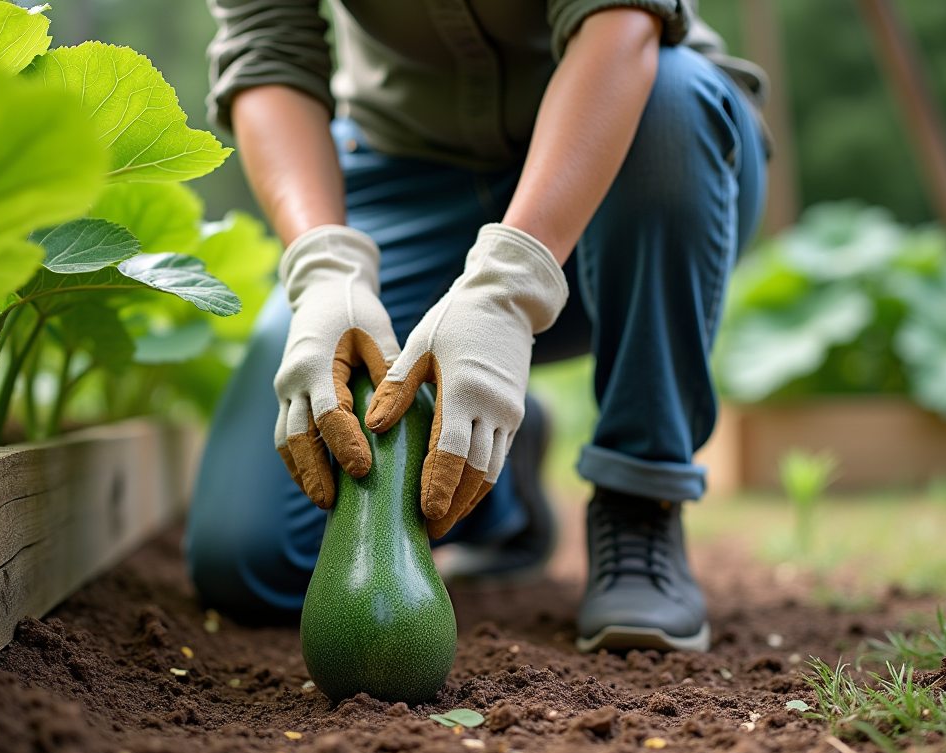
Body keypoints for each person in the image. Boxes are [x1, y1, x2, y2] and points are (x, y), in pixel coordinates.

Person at [186, 0, 768, 653]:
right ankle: (494, 486)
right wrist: (324, 265)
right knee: (253, 560)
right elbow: (267, 50)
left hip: (631, 150)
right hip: (402, 180)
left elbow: (621, 20)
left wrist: (507, 286)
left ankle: (641, 501)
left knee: (672, 99)